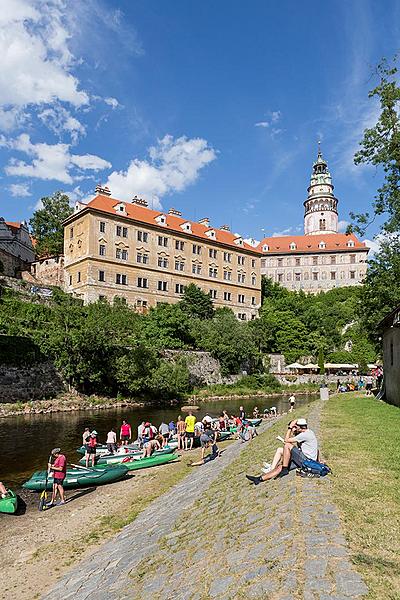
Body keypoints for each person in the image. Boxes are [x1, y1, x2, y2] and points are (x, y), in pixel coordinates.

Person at [246, 418, 318, 485]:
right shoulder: (308, 432)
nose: (295, 428)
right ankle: (259, 479)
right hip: (306, 460)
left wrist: (290, 428)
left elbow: (286, 440)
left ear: (299, 427)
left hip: (307, 461)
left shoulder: (304, 435)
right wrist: (318, 460)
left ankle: (285, 469)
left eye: (296, 427)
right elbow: (316, 449)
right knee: (281, 466)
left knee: (287, 445)